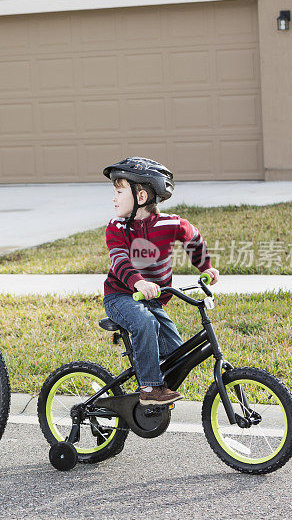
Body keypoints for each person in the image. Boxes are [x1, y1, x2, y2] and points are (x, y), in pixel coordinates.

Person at [101, 157, 219, 405]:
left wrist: (207, 267)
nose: (114, 198)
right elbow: (120, 260)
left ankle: (153, 398)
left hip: (153, 300)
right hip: (121, 297)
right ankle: (149, 389)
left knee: (177, 352)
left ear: (141, 197)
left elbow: (193, 240)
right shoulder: (117, 227)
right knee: (144, 323)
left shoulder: (171, 223)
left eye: (119, 192)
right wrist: (138, 282)